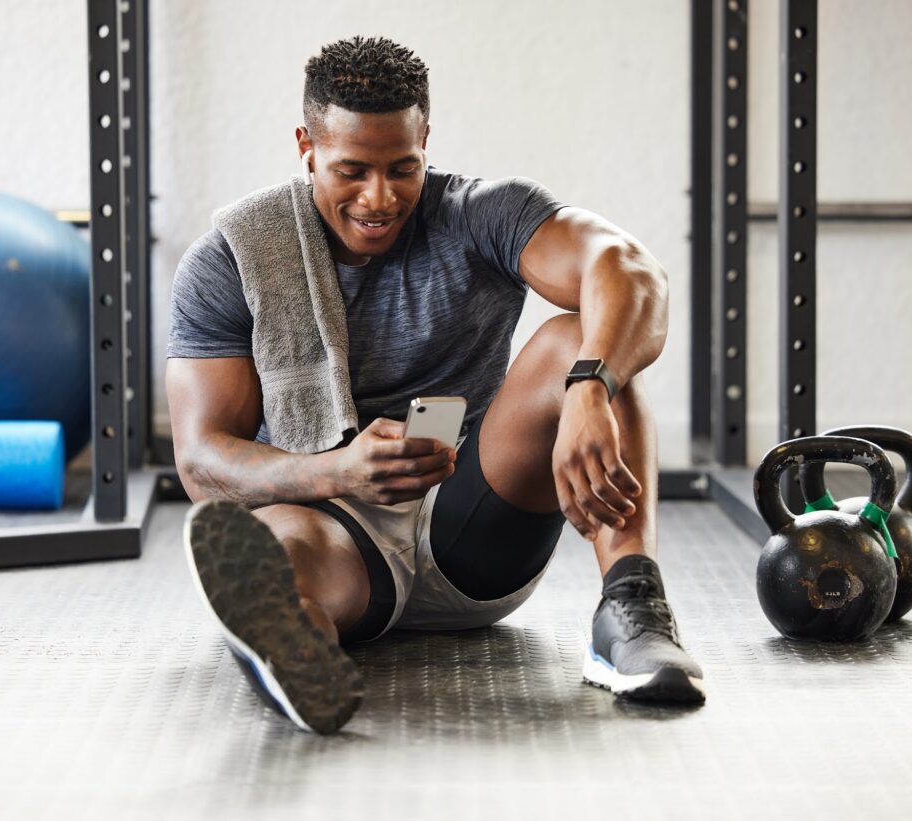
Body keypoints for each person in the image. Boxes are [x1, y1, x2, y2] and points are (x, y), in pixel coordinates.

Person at [167, 35, 705, 735]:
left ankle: (633, 611)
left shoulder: (480, 213)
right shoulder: (230, 259)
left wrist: (590, 385)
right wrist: (339, 470)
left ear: (426, 141)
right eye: (351, 171)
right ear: (307, 147)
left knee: (585, 339)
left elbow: (627, 268)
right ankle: (293, 647)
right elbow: (201, 461)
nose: (379, 197)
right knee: (277, 551)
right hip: (333, 527)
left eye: (402, 168)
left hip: (476, 524)